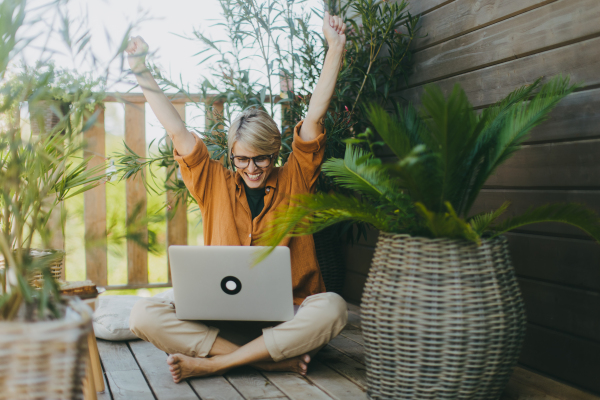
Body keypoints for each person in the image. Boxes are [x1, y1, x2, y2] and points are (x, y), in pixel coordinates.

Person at [126, 11, 348, 383]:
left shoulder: (295, 177)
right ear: (231, 156)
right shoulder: (213, 182)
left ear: (275, 151)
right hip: (223, 324)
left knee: (334, 309)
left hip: (286, 320)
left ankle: (217, 363)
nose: (252, 168)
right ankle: (264, 360)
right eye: (241, 159)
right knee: (141, 316)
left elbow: (314, 115)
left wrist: (336, 46)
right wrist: (140, 69)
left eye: (261, 157)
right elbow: (176, 128)